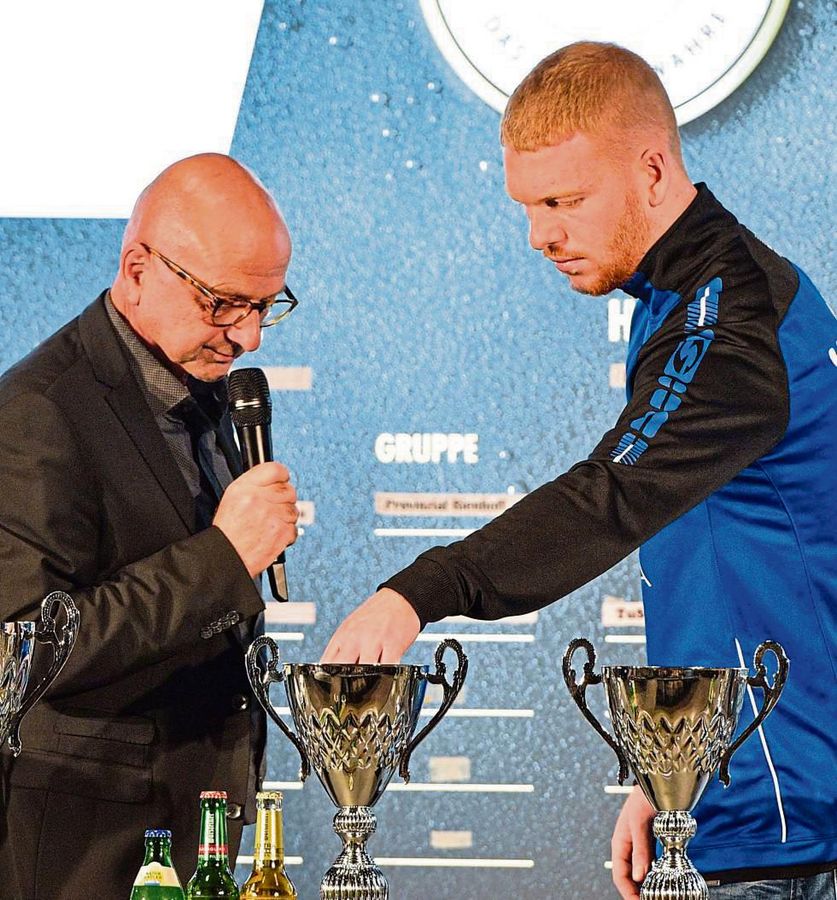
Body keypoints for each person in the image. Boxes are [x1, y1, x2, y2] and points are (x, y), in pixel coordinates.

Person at [321, 43, 836, 899]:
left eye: (564, 200)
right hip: (756, 806)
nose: (541, 235)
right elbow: (733, 552)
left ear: (651, 169)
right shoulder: (698, 298)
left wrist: (417, 588)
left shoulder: (730, 322)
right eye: (527, 206)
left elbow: (611, 497)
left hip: (790, 835)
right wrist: (672, 774)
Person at [0, 154, 300, 898]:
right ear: (138, 269)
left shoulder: (200, 389)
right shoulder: (40, 413)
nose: (251, 336)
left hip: (192, 836)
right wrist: (224, 559)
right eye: (225, 303)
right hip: (86, 850)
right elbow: (24, 650)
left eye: (267, 305)